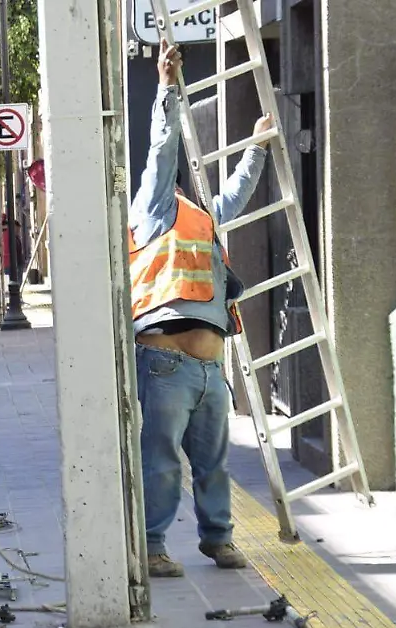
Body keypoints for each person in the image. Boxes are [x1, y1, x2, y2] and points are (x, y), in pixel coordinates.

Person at [129, 39, 273, 578]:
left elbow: (236, 194)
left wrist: (257, 147)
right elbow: (161, 151)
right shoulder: (152, 209)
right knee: (162, 462)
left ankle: (218, 539)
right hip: (165, 363)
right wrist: (168, 89)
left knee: (213, 464)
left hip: (210, 369)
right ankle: (153, 546)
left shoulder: (203, 218)